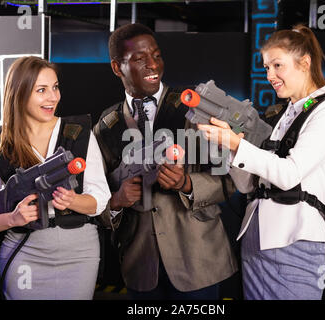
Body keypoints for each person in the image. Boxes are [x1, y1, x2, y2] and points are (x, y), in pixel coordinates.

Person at [198, 25, 325, 300]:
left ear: (304, 63)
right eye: (267, 67)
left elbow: (289, 174)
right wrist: (229, 148)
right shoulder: (286, 113)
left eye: (277, 65)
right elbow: (249, 186)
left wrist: (237, 144)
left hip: (294, 241)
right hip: (256, 239)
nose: (270, 75)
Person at [93, 23, 238, 300]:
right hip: (141, 267)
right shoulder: (106, 126)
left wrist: (187, 184)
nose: (153, 65)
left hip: (198, 262)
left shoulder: (195, 109)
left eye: (157, 56)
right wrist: (116, 201)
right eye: (139, 59)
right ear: (116, 67)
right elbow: (94, 194)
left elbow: (232, 179)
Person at [0, 56, 111, 300]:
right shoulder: (1, 144)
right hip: (25, 251)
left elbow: (100, 199)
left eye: (55, 87)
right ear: (19, 94)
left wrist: (73, 201)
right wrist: (12, 218)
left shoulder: (77, 133)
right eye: (41, 90)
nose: (53, 97)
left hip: (79, 254)